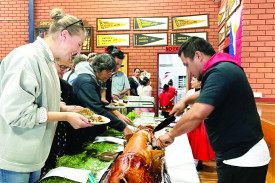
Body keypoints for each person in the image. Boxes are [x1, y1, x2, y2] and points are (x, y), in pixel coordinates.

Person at [157, 36, 270, 183]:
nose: (189, 71)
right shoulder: (221, 68)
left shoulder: (220, 71)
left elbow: (198, 113)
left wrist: (170, 134)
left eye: (187, 65)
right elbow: (207, 92)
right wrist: (185, 100)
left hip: (242, 158)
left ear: (198, 55)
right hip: (236, 154)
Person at [0, 8, 93, 183]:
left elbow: (40, 104)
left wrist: (67, 108)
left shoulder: (48, 62)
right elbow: (19, 114)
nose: (80, 52)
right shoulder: (26, 58)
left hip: (34, 158)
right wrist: (65, 116)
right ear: (64, 35)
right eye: (79, 44)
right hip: (14, 160)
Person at [72, 53, 133, 141]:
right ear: (101, 69)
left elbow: (94, 103)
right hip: (81, 129)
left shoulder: (92, 79)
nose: (110, 75)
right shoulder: (86, 82)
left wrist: (107, 106)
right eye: (109, 72)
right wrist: (123, 127)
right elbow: (96, 109)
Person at [186, 76, 215, 171]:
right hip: (191, 118)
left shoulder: (205, 92)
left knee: (199, 142)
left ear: (200, 83)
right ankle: (194, 162)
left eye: (193, 80)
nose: (191, 81)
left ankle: (197, 162)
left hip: (200, 119)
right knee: (191, 142)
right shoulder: (190, 92)